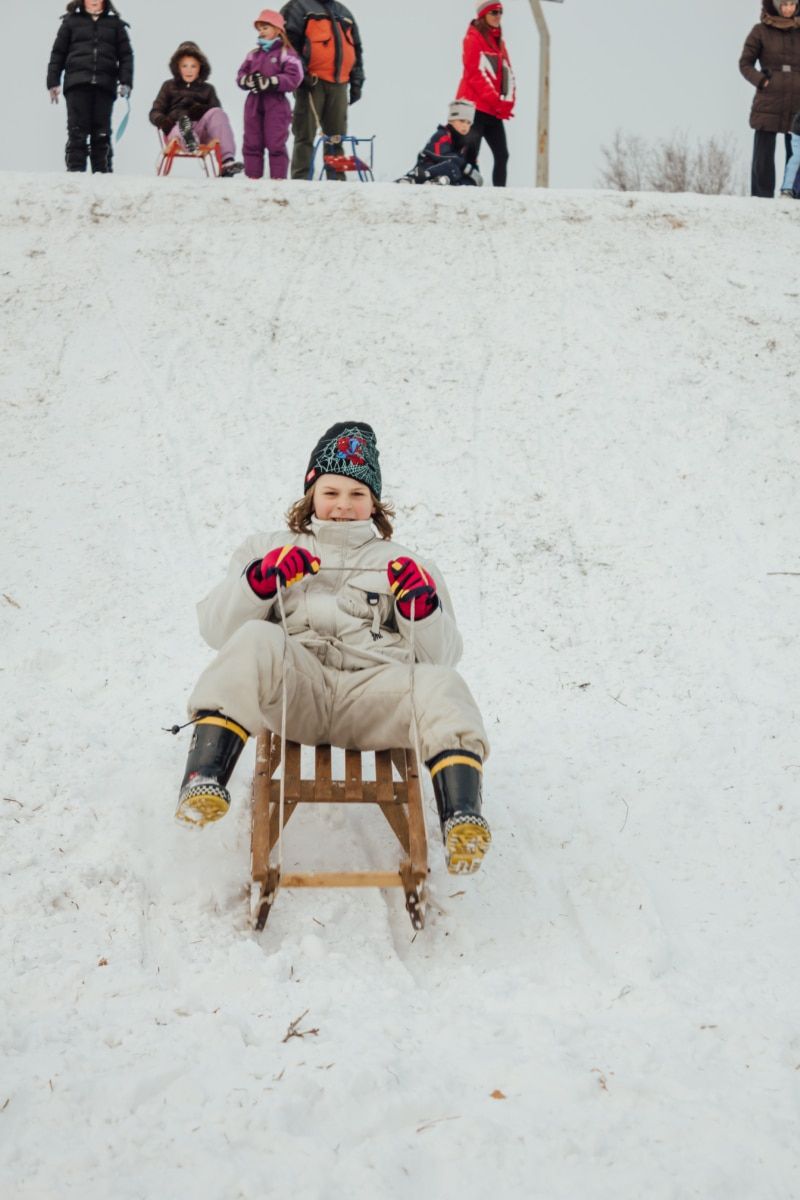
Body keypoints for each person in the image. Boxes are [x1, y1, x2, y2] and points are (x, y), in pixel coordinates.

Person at [175, 422, 492, 876]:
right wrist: (260, 581)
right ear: (311, 493)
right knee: (255, 639)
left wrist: (421, 606)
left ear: (375, 503)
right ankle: (204, 776)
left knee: (441, 684)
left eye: (358, 493)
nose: (343, 504)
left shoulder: (408, 564)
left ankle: (462, 816)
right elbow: (216, 630)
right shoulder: (266, 547)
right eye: (332, 491)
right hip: (295, 694)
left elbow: (442, 656)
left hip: (373, 699)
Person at [280, 0, 365, 180]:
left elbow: (356, 50)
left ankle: (337, 180)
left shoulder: (344, 13)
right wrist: (300, 73)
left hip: (340, 83)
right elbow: (287, 43)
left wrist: (357, 81)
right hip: (312, 82)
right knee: (305, 133)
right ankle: (301, 179)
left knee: (336, 136)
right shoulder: (297, 7)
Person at [46, 0, 133, 174]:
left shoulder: (115, 25)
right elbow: (58, 53)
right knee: (77, 131)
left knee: (101, 133)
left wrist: (126, 82)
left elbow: (126, 56)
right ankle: (75, 173)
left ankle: (102, 174)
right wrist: (53, 81)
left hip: (105, 86)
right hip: (77, 84)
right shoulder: (71, 22)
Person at [149, 42, 243, 178]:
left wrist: (201, 110)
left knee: (217, 113)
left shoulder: (207, 89)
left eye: (193, 66)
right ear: (177, 68)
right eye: (184, 66)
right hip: (175, 127)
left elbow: (216, 116)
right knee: (181, 125)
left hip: (200, 128)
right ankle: (189, 139)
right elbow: (155, 111)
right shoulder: (168, 86)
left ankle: (226, 161)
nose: (189, 70)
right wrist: (164, 122)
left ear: (200, 68)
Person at [740, 0, 800, 198]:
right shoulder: (760, 31)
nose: (788, 9)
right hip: (769, 99)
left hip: (797, 100)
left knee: (797, 150)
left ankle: (793, 192)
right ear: (774, 5)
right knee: (764, 152)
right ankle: (761, 196)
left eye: (792, 4)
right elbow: (745, 63)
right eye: (784, 4)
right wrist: (762, 81)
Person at [237, 10, 304, 180]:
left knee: (275, 142)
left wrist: (272, 81)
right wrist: (248, 81)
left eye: (265, 27)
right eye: (259, 29)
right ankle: (252, 180)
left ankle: (278, 181)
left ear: (277, 29)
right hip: (254, 102)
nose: (261, 32)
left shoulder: (286, 52)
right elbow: (240, 75)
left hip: (276, 103)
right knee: (252, 142)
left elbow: (295, 76)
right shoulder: (253, 54)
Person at [457, 1, 516, 188]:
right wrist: (496, 101)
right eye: (493, 12)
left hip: (492, 110)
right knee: (471, 154)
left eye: (501, 12)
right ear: (483, 15)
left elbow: (507, 72)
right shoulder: (473, 38)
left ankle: (500, 196)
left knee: (502, 154)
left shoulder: (499, 42)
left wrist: (508, 101)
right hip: (474, 109)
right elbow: (475, 74)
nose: (498, 16)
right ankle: (468, 191)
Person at [398, 99, 483, 186]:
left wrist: (473, 174)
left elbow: (475, 170)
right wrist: (464, 165)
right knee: (453, 167)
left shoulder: (468, 144)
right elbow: (441, 157)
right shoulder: (442, 135)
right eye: (461, 121)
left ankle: (442, 182)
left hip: (451, 175)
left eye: (468, 123)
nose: (465, 125)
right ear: (451, 121)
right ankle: (417, 178)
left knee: (470, 179)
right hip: (428, 167)